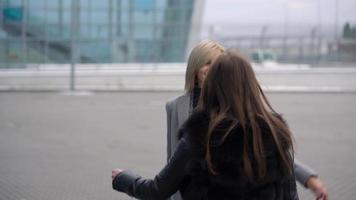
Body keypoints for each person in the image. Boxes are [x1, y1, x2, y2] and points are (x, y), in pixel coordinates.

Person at [112, 50, 299, 199]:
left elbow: (157, 190)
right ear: (251, 83)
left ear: (212, 85)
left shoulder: (200, 134)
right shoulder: (275, 131)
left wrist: (123, 179)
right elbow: (290, 194)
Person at [165, 41, 328, 200]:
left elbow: (269, 151)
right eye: (208, 63)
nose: (214, 69)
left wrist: (306, 177)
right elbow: (173, 157)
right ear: (195, 68)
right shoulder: (175, 107)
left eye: (217, 65)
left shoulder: (239, 109)